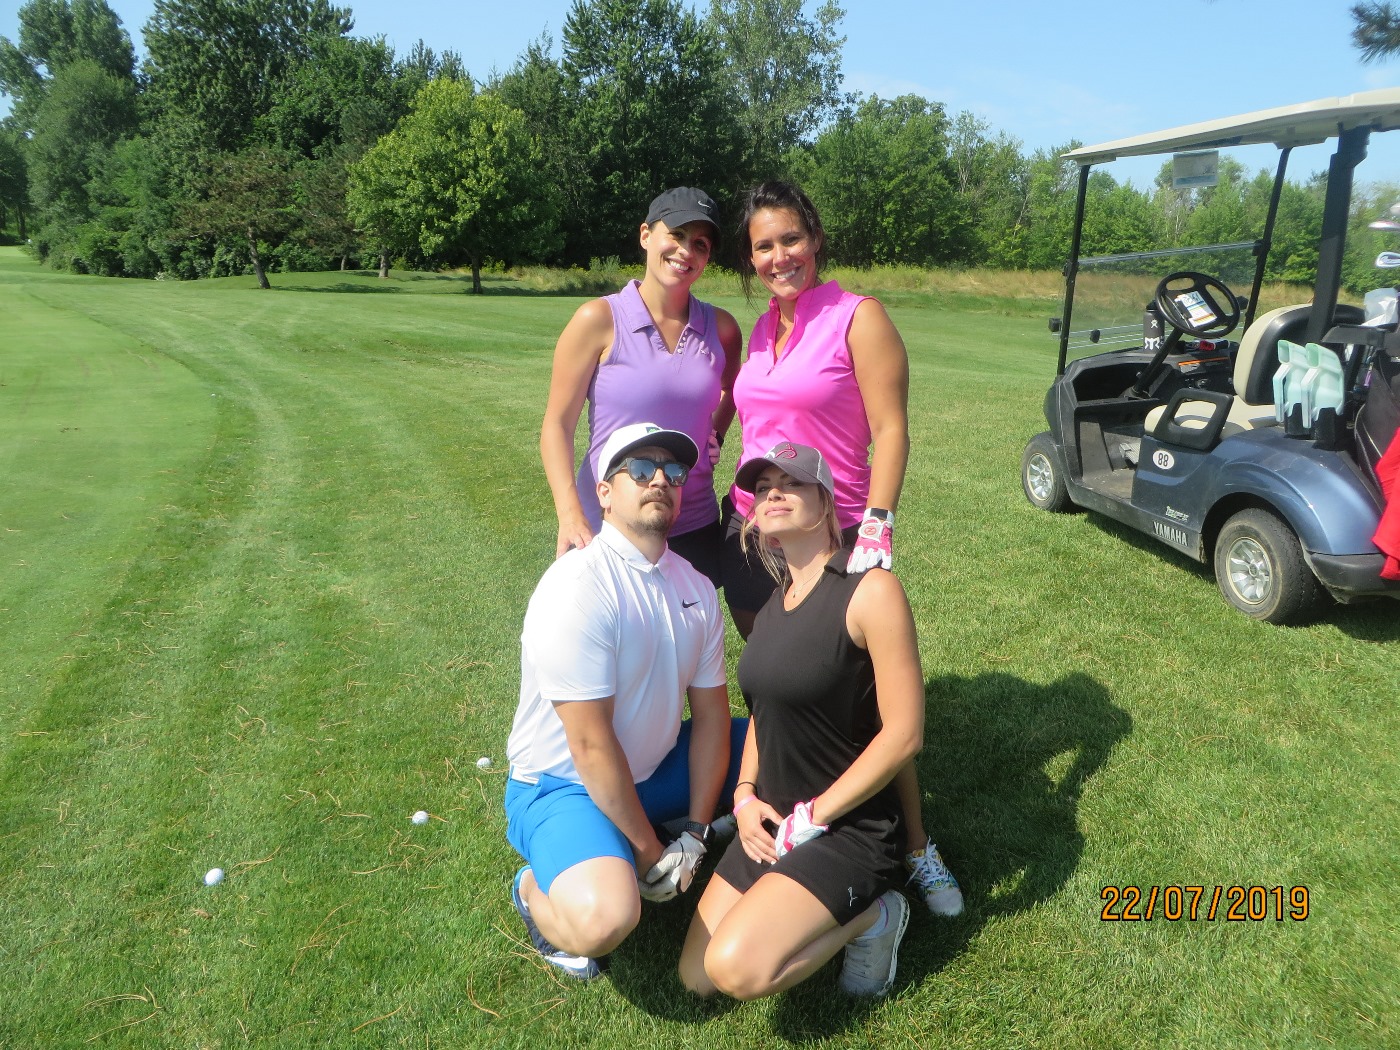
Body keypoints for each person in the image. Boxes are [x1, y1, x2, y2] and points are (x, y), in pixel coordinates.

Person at [719, 180, 963, 918]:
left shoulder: (859, 317)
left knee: (867, 705)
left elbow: (891, 428)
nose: (779, 256)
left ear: (816, 239)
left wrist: (879, 522)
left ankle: (913, 845)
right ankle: (775, 820)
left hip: (839, 532)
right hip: (756, 535)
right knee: (779, 690)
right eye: (763, 246)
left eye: (790, 239)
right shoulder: (761, 328)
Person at [679, 443, 924, 1000]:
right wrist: (744, 795)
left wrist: (817, 815)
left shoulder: (870, 591)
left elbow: (905, 734)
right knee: (696, 980)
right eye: (764, 488)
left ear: (827, 502)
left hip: (848, 826)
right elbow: (762, 714)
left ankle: (878, 916)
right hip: (773, 820)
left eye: (792, 483)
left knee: (736, 970)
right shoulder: (772, 608)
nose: (774, 494)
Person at [505, 422, 745, 980]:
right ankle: (532, 889)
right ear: (605, 492)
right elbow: (589, 746)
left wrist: (696, 834)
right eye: (640, 469)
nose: (660, 479)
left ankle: (663, 824)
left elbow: (711, 717)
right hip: (562, 785)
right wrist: (650, 853)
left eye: (673, 471)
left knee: (772, 741)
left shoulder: (696, 586)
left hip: (651, 768)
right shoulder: (578, 585)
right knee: (607, 919)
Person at [540, 186, 743, 584]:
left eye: (700, 244)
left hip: (693, 520)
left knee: (690, 624)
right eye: (677, 234)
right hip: (610, 522)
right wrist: (570, 512)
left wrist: (715, 431)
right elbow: (556, 425)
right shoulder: (598, 319)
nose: (686, 251)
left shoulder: (721, 328)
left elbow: (733, 388)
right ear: (646, 235)